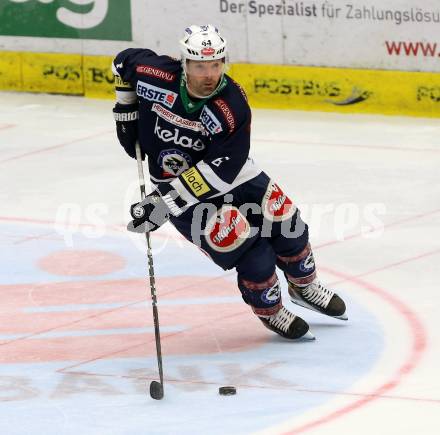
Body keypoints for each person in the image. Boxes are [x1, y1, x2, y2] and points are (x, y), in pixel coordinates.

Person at [112, 24, 347, 341]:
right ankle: (272, 310)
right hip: (182, 189)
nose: (209, 74)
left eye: (215, 64)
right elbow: (122, 63)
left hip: (229, 177)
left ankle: (304, 287)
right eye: (199, 65)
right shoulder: (156, 73)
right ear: (185, 63)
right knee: (251, 253)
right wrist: (125, 109)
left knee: (287, 223)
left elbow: (221, 169)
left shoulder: (231, 104)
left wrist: (162, 203)